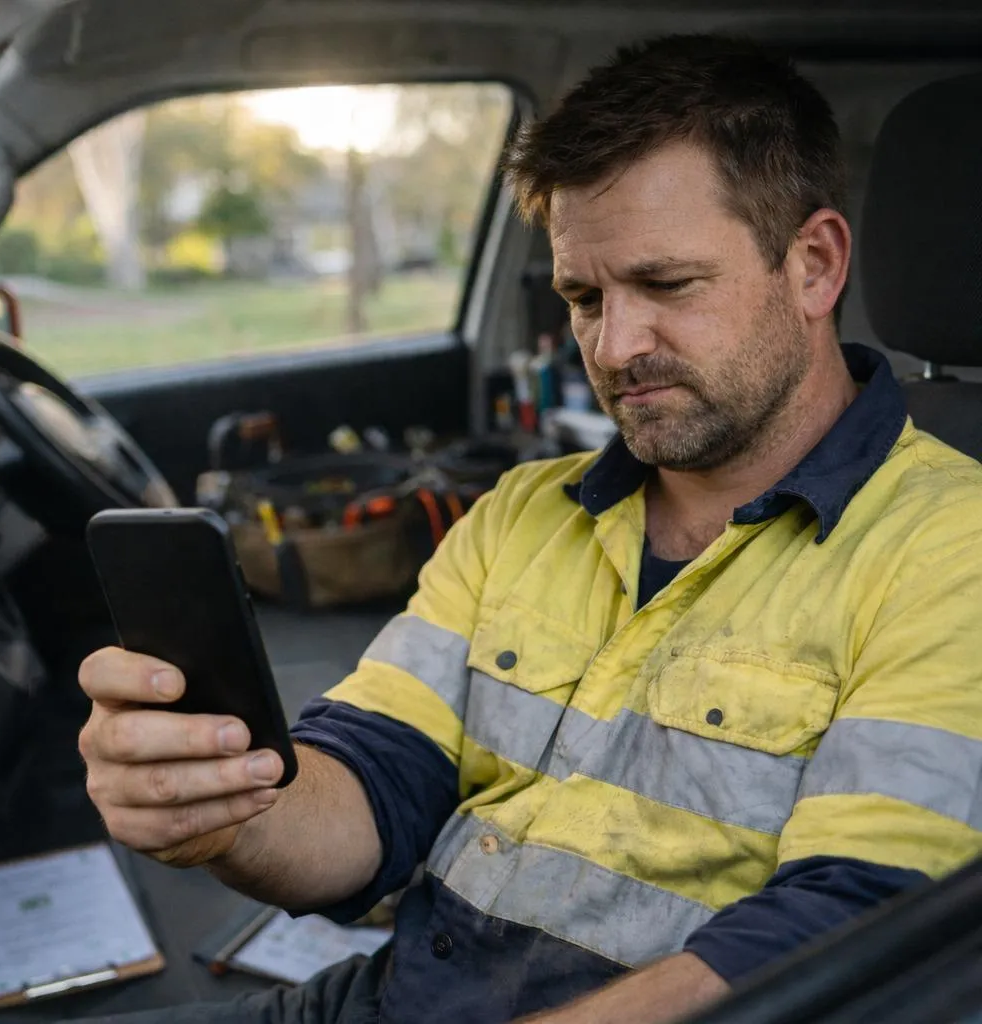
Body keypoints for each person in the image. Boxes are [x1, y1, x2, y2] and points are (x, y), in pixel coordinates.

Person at [76, 34, 982, 1024]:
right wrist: (220, 804)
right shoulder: (523, 511)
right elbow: (374, 781)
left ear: (812, 266)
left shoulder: (948, 546)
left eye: (668, 285)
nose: (614, 347)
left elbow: (849, 929)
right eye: (583, 298)